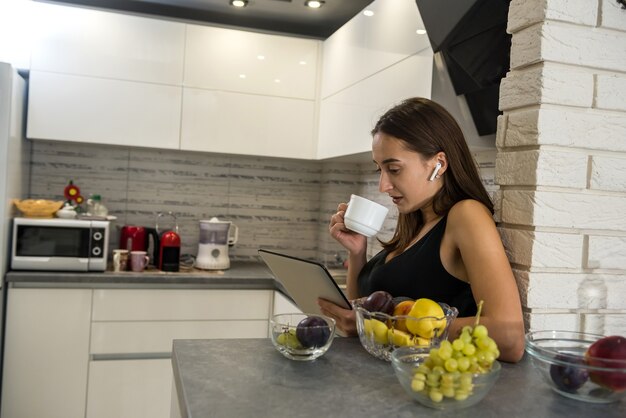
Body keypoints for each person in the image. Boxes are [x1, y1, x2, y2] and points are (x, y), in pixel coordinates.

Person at [318, 97, 525, 363]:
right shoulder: (415, 222)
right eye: (380, 169)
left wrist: (387, 326)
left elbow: (509, 336)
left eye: (394, 169)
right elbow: (365, 310)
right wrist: (357, 252)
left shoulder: (466, 215)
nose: (383, 185)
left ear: (438, 164)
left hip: (428, 388)